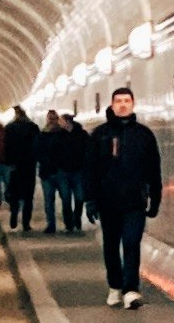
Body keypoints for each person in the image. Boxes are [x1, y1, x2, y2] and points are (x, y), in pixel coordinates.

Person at [87, 83, 163, 307]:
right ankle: (115, 285)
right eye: (118, 101)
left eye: (126, 101)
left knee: (131, 242)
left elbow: (153, 168)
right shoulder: (100, 135)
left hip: (134, 201)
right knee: (111, 245)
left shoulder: (143, 135)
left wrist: (155, 196)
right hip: (107, 201)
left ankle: (131, 289)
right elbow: (90, 168)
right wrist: (90, 200)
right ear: (112, 105)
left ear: (133, 104)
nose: (122, 105)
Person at [39, 107, 88, 234]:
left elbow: (88, 151)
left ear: (67, 121)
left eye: (60, 120)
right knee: (65, 199)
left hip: (77, 171)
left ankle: (76, 217)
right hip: (63, 172)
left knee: (79, 197)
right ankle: (68, 223)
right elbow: (51, 152)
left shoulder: (81, 134)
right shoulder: (57, 135)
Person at [2, 104, 41, 229]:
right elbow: (36, 147)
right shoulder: (33, 127)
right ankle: (26, 223)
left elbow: (6, 147)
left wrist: (9, 162)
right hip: (29, 165)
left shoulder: (9, 128)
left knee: (14, 193)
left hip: (15, 166)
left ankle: (14, 214)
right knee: (28, 195)